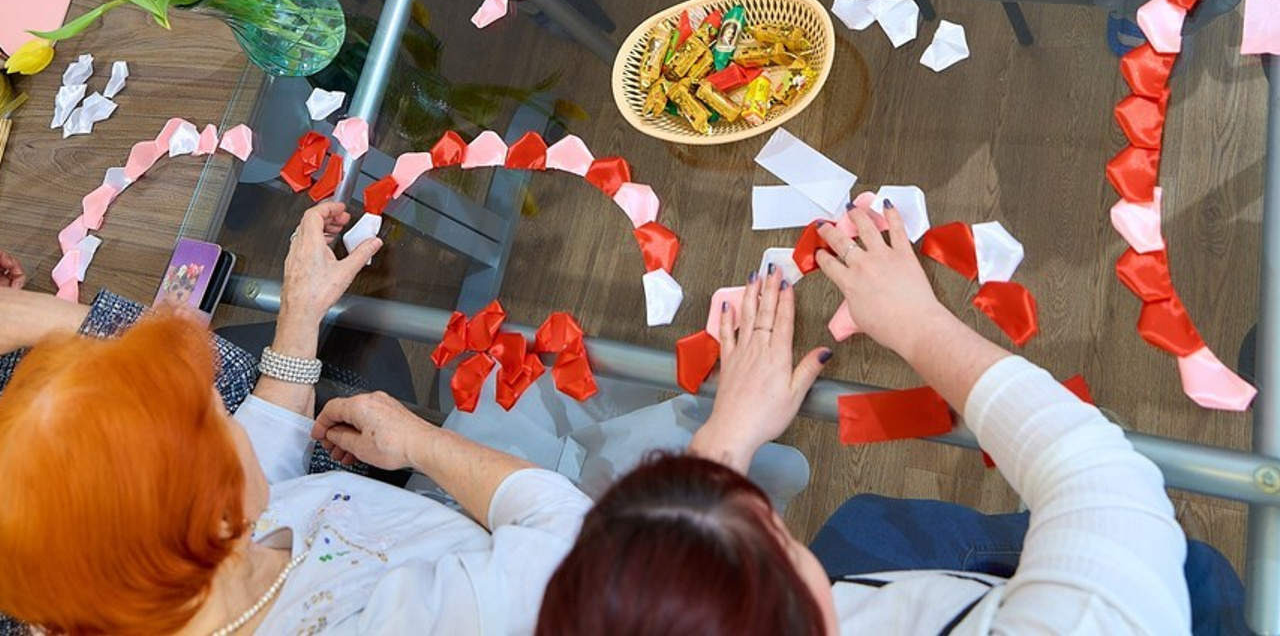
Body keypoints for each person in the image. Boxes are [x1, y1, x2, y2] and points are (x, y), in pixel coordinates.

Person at [538, 207, 1195, 634]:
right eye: (771, 524)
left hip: (894, 584)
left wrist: (725, 441)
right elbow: (1101, 477)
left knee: (861, 524)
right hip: (1156, 595)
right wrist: (916, 323)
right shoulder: (1085, 622)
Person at [0, 201, 592, 633]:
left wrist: (301, 308)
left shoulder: (193, 574)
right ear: (216, 505)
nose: (231, 412)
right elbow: (577, 545)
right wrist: (420, 442)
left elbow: (268, 472)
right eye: (216, 415)